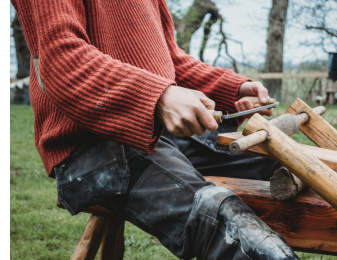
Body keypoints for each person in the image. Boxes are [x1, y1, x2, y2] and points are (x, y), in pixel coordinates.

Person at [12, 0, 299, 259]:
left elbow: (169, 61)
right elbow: (61, 59)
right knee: (220, 220)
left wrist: (231, 89)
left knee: (280, 161)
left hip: (158, 134)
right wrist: (158, 97)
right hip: (90, 146)